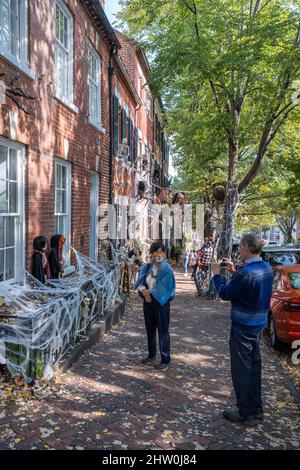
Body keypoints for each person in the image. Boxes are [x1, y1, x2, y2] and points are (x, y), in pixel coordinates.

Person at [212, 234, 273, 427]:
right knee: (254, 366)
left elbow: (226, 293)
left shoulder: (245, 273)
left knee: (242, 370)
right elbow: (249, 284)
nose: (239, 250)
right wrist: (234, 270)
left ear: (246, 247)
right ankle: (257, 408)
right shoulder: (266, 267)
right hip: (258, 324)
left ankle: (246, 412)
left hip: (243, 326)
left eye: (240, 247)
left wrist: (217, 275)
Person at [134, 242, 176, 370]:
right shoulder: (147, 267)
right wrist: (143, 291)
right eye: (156, 252)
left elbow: (167, 287)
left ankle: (165, 359)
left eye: (161, 252)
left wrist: (149, 293)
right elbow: (139, 282)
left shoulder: (167, 269)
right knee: (150, 329)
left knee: (163, 330)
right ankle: (151, 354)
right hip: (148, 302)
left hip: (161, 303)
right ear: (151, 254)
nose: (159, 255)